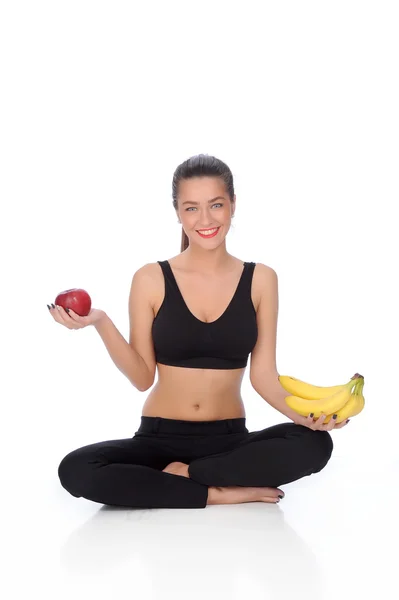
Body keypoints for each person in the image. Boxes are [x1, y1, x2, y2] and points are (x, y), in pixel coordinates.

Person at [50, 153, 349, 510]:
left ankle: (186, 476)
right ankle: (215, 491)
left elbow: (265, 376)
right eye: (191, 208)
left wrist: (308, 418)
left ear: (233, 205)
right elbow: (142, 377)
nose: (205, 219)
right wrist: (100, 320)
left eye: (216, 205)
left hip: (228, 439)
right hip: (158, 437)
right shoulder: (151, 278)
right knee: (76, 469)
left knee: (315, 446)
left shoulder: (261, 279)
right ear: (177, 212)